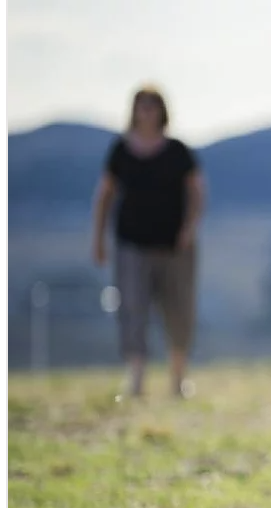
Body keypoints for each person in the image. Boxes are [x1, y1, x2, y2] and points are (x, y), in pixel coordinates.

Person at [91, 85, 205, 398]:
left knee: (179, 311)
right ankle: (136, 379)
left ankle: (178, 379)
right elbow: (104, 195)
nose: (147, 111)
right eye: (142, 106)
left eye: (153, 106)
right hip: (132, 245)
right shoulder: (120, 151)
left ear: (162, 110)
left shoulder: (179, 151)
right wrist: (98, 239)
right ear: (133, 110)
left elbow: (197, 192)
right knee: (132, 309)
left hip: (175, 247)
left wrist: (189, 228)